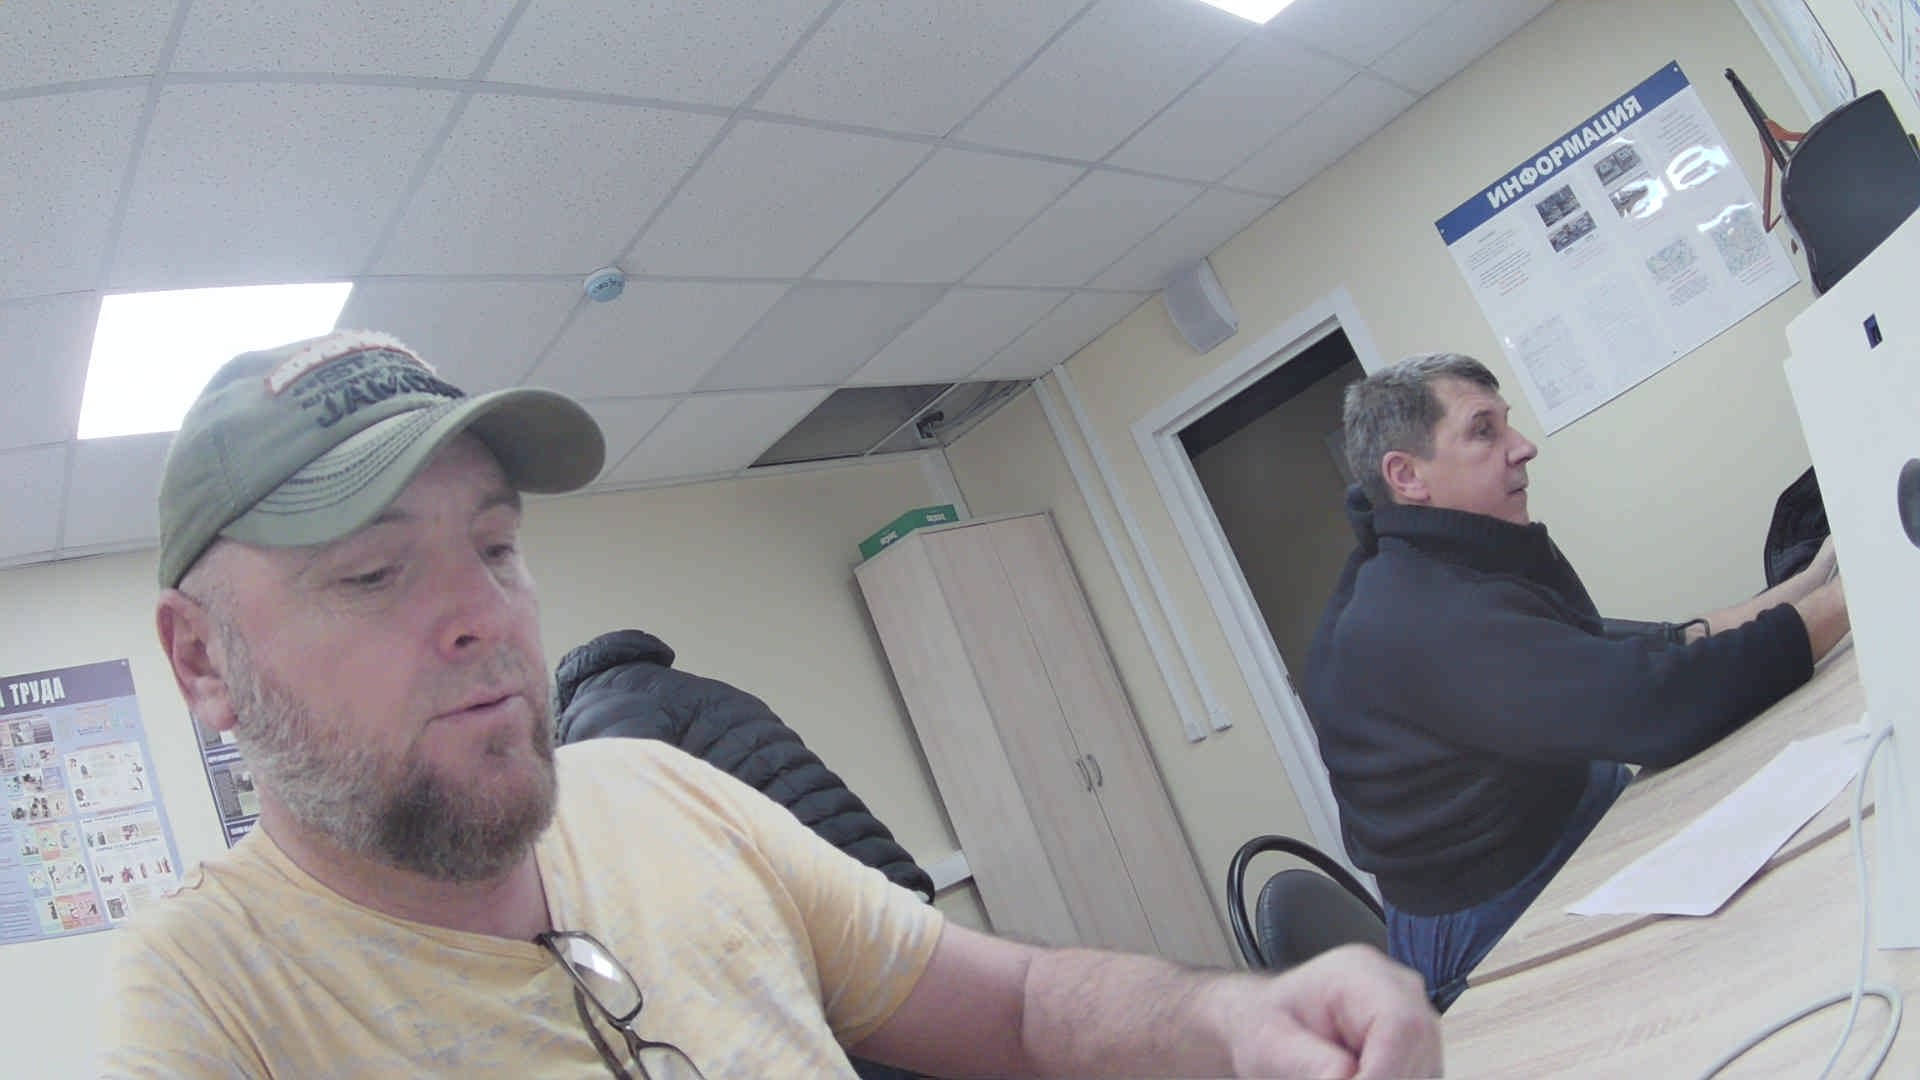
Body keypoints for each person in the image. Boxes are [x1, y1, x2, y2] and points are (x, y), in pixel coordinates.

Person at [101, 329, 1441, 1079]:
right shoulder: (206, 1002)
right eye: (374, 572)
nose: (484, 615)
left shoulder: (657, 794)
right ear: (204, 662)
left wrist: (1231, 1021)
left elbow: (1025, 1007)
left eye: (496, 546)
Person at [1304, 352, 1850, 1012]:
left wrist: (1815, 580)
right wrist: (1858, 592)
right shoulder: (1414, 616)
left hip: (1563, 808)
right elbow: (1654, 706)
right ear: (1407, 476)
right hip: (1491, 910)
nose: (1522, 446)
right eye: (1484, 431)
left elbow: (1638, 651)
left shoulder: (1456, 554)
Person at [554, 628, 938, 901]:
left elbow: (635, 826)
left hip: (834, 897)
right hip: (870, 869)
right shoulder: (685, 688)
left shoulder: (598, 708)